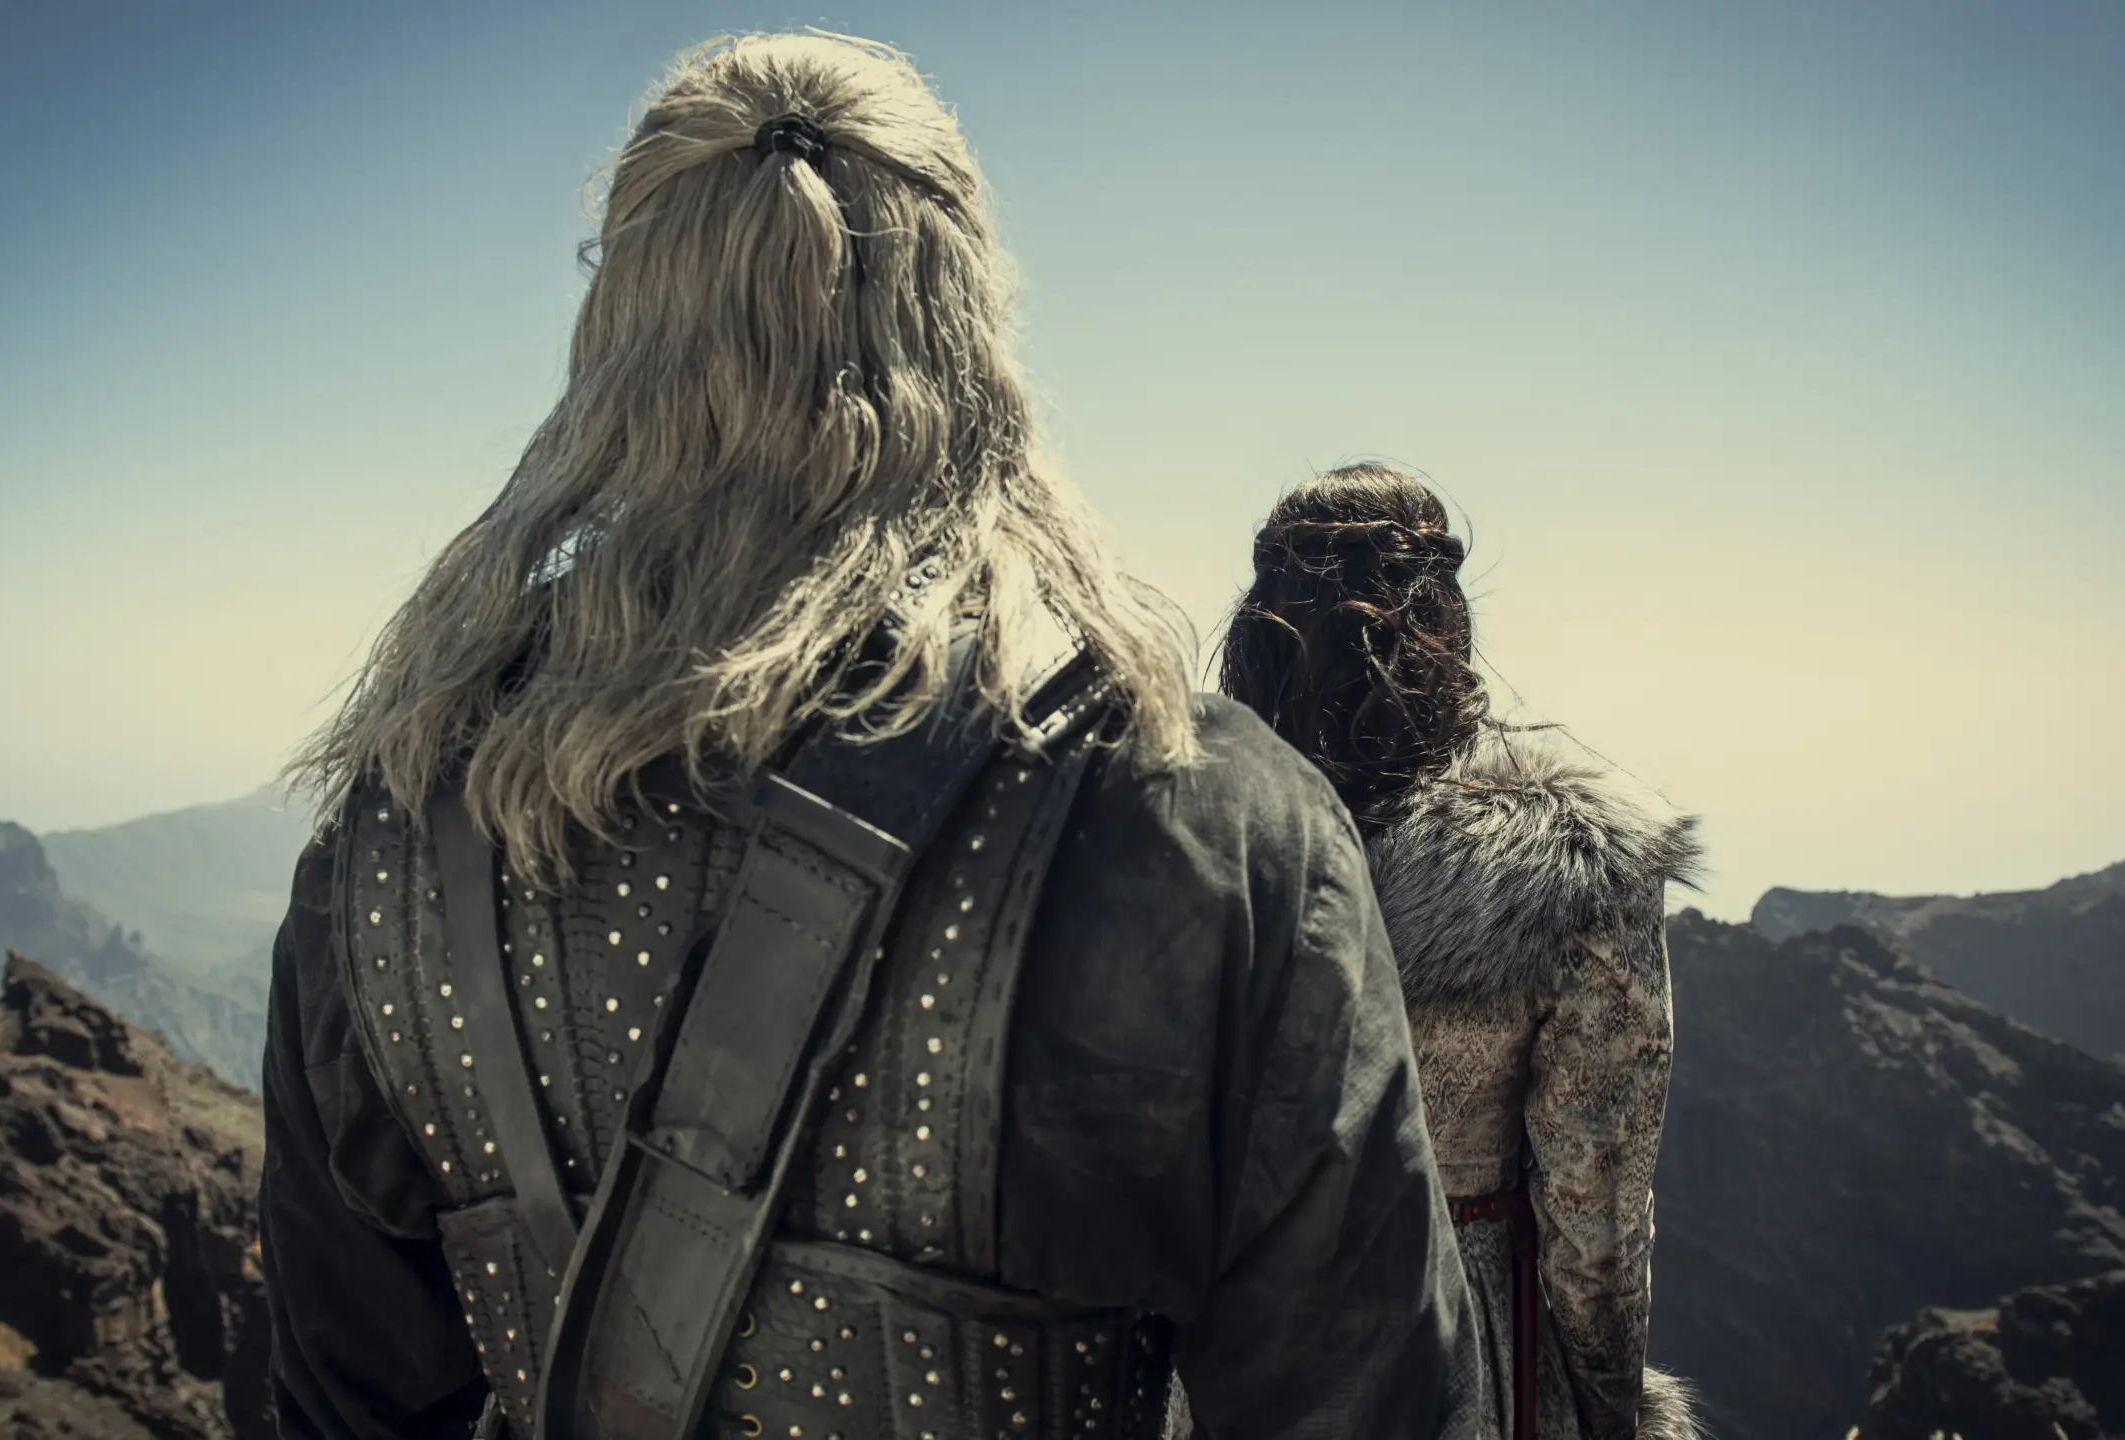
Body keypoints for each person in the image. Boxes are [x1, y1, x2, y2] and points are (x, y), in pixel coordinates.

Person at [257, 35, 1480, 1440]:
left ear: (614, 328)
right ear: (971, 328)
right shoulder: (1205, 822)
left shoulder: (395, 837)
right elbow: (1374, 1403)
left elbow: (342, 1407)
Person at [1218, 464, 1705, 1440]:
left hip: (1220, 1346)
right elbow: (1594, 1220)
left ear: (1259, 628)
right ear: (1444, 618)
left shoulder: (1179, 833)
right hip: (1450, 1352)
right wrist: (1611, 1411)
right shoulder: (1567, 862)